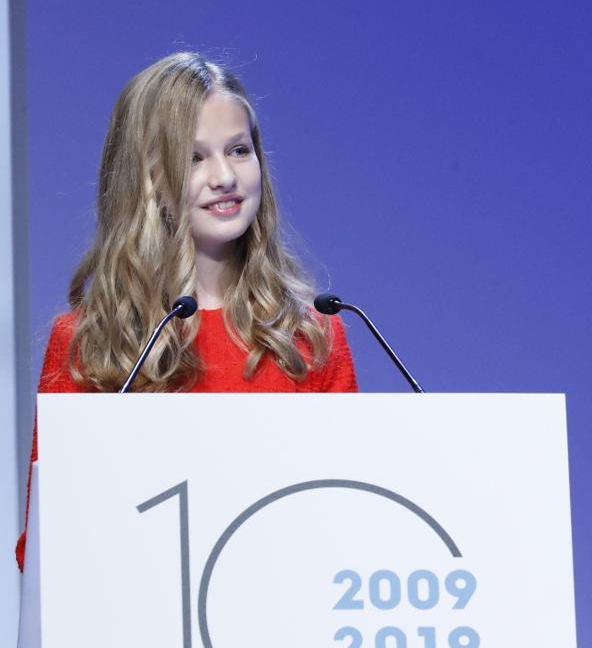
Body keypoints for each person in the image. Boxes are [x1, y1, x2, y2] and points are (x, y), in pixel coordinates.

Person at [16, 53, 357, 570]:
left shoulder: (310, 337)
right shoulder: (92, 341)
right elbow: (45, 545)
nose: (224, 176)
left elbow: (354, 517)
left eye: (238, 150)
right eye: (195, 158)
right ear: (147, 178)